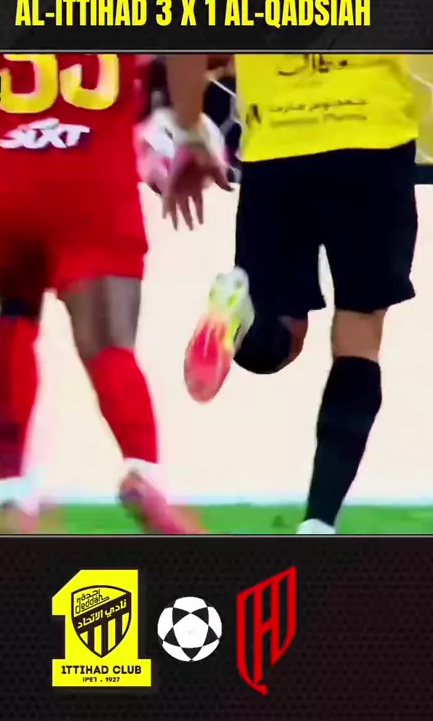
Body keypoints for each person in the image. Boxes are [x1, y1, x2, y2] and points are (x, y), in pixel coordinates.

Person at [162, 53, 419, 534]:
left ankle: (235, 312)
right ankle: (319, 521)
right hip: (373, 141)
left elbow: (188, 46)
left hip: (277, 150)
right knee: (359, 336)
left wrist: (191, 130)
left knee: (275, 340)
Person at [0, 53, 202, 535]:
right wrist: (190, 128)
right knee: (110, 346)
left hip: (9, 169)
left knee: (15, 312)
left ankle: (12, 488)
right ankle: (143, 472)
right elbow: (188, 55)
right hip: (93, 176)